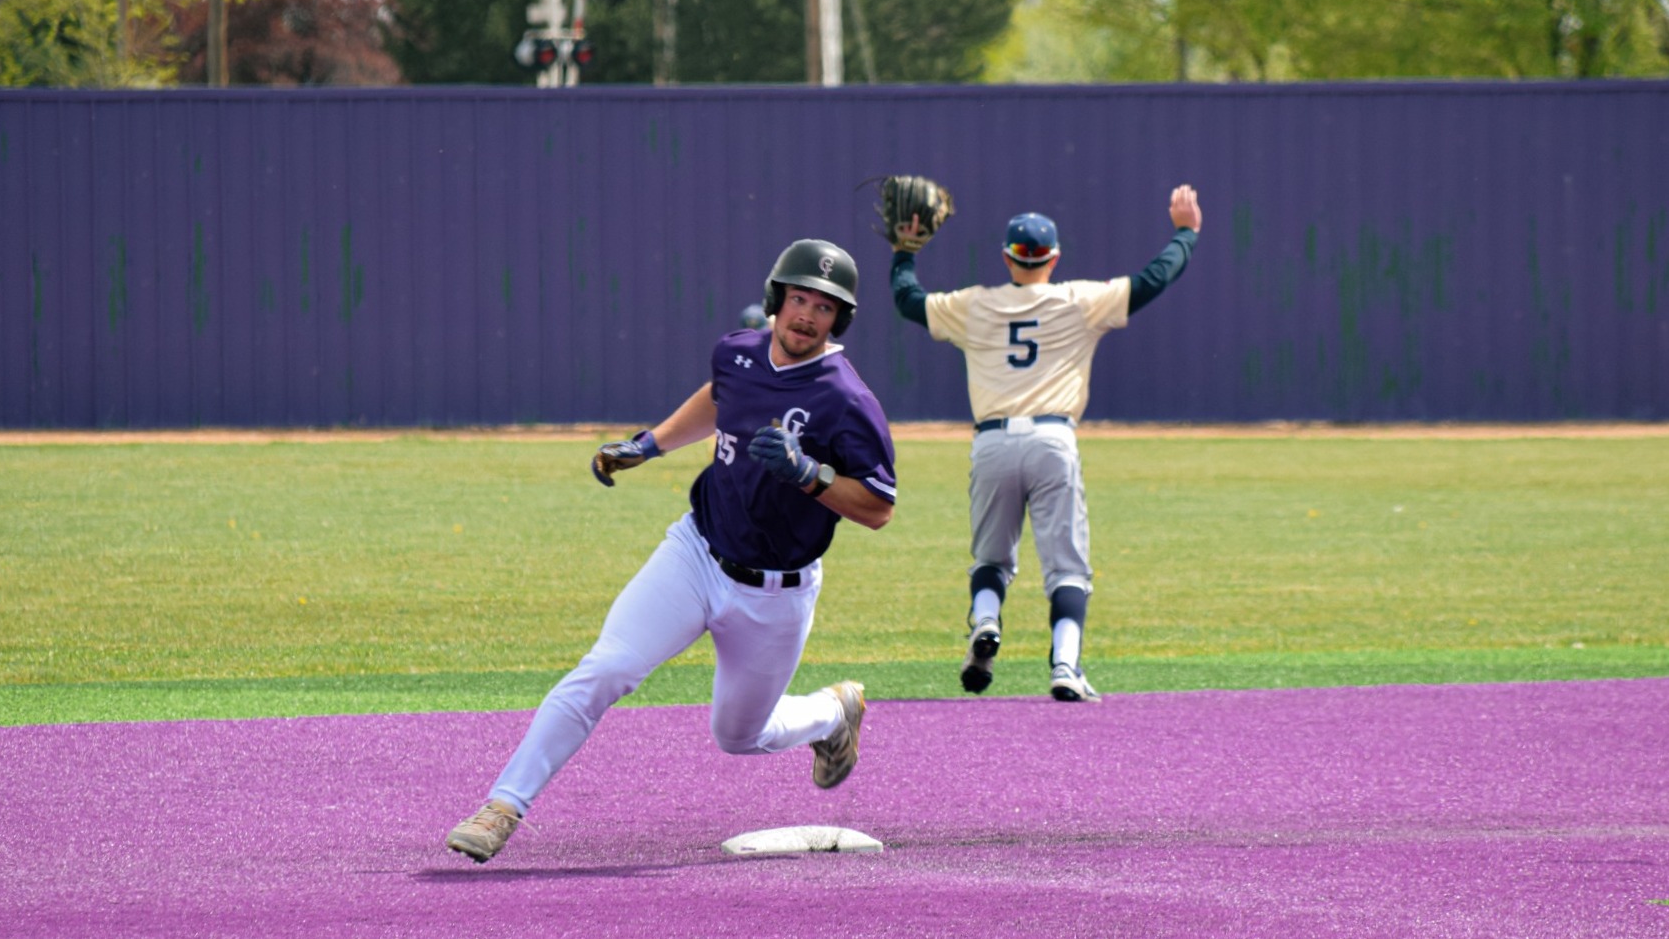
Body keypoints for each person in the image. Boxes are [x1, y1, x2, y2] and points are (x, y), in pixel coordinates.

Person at [447, 238, 898, 863]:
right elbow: (719, 399)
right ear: (776, 298)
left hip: (776, 591)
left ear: (838, 320)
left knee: (739, 735)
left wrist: (809, 476)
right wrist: (649, 444)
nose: (806, 316)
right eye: (798, 298)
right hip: (696, 552)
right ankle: (502, 807)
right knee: (606, 668)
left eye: (823, 307)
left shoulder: (847, 400)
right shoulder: (737, 353)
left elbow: (878, 508)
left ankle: (831, 713)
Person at [883, 185, 1202, 703]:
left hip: (992, 440)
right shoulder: (1080, 301)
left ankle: (986, 621)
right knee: (1067, 567)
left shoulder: (975, 305)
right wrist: (1185, 233)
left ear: (1007, 256)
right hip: (1053, 438)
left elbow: (907, 301)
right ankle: (1064, 666)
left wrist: (905, 252)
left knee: (991, 557)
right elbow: (1154, 279)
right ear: (1053, 257)